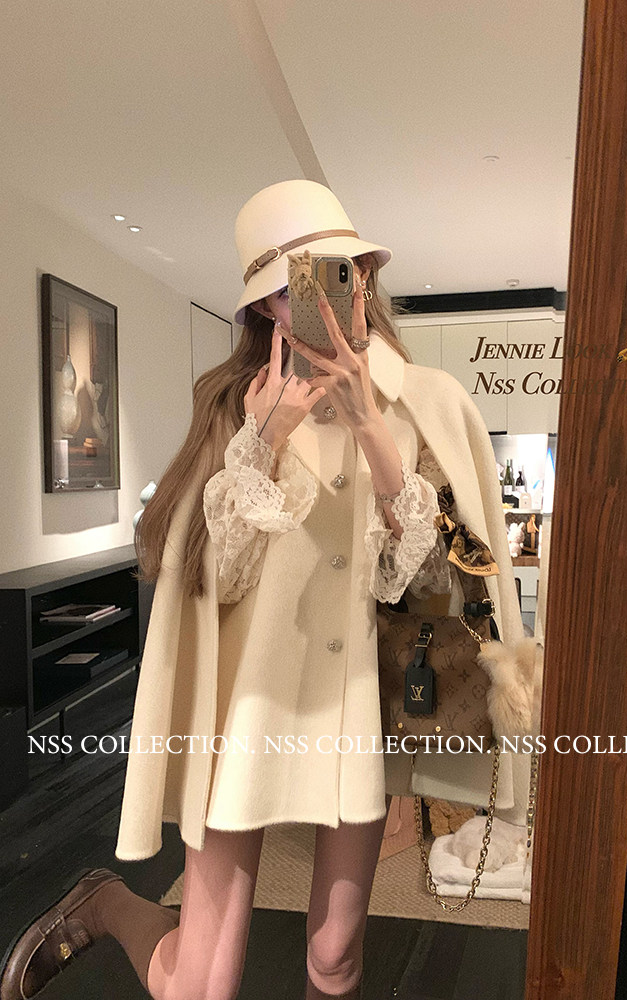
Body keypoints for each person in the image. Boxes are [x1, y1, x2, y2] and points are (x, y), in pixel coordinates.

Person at [0, 179, 525, 1000]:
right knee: (203, 985)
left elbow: (423, 579)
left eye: (335, 273)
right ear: (264, 311)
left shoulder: (428, 404)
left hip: (354, 706)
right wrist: (265, 442)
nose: (316, 301)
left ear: (364, 275)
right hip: (244, 704)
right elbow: (213, 580)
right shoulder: (234, 407)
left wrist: (373, 431)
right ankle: (107, 903)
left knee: (335, 958)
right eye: (287, 290)